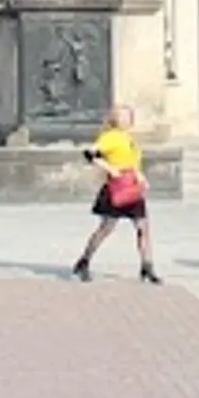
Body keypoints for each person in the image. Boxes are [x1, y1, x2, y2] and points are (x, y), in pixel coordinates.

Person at [71, 102, 159, 284]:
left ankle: (147, 266)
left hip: (132, 186)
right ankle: (84, 260)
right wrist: (110, 168)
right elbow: (90, 153)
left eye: (129, 116)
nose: (127, 119)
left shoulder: (129, 138)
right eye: (123, 116)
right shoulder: (110, 137)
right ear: (115, 119)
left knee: (143, 227)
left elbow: (133, 162)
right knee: (106, 228)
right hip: (117, 187)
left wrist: (141, 177)